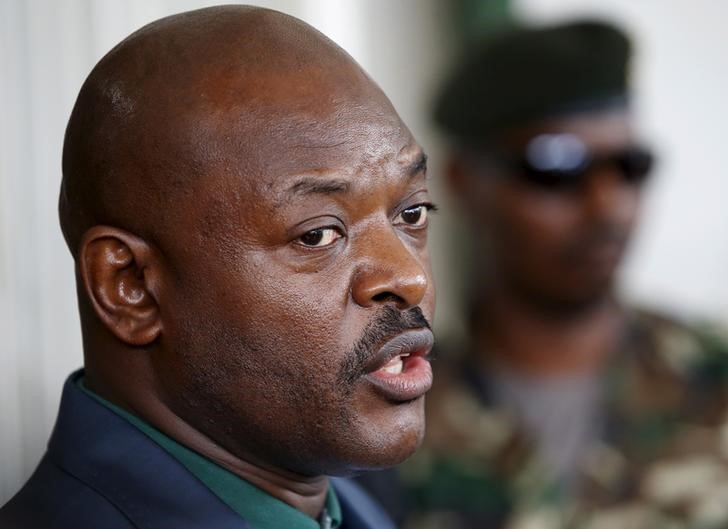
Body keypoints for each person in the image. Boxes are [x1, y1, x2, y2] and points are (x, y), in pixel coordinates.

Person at [0, 6, 437, 529]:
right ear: (130, 287)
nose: (409, 278)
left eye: (411, 214)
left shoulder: (355, 510)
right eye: (318, 235)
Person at [371, 20, 728, 529]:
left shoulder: (714, 378)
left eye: (628, 165)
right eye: (557, 169)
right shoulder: (391, 414)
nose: (607, 207)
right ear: (464, 182)